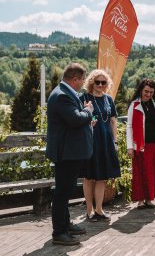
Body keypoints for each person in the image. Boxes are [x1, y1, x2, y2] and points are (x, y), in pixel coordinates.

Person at [46, 63, 94, 246]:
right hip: (66, 153)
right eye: (82, 80)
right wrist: (88, 111)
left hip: (69, 151)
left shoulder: (63, 93)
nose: (83, 83)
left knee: (65, 190)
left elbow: (72, 121)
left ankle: (65, 225)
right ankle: (59, 232)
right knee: (62, 192)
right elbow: (75, 119)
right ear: (75, 79)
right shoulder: (62, 96)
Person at [79, 69, 120, 221]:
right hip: (90, 142)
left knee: (102, 177)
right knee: (89, 177)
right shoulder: (84, 97)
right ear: (91, 82)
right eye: (97, 82)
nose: (100, 85)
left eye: (103, 82)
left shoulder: (108, 99)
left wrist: (115, 141)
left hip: (106, 142)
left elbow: (113, 121)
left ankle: (99, 210)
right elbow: (78, 118)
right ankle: (89, 210)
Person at [126, 79, 155, 209]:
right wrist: (130, 147)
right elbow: (129, 126)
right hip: (140, 146)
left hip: (154, 145)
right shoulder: (134, 105)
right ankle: (140, 200)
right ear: (141, 90)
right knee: (140, 173)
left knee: (152, 173)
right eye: (146, 91)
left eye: (151, 92)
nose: (148, 94)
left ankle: (149, 199)